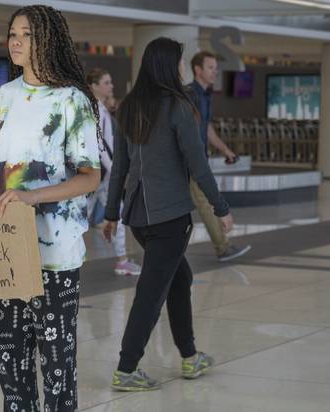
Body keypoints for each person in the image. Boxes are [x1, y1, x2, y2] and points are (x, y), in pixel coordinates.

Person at [0, 5, 100, 411]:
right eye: (12, 33)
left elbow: (91, 176)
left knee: (56, 364)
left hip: (54, 253)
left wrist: (32, 197)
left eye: (26, 34)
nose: (16, 41)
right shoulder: (0, 100)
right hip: (6, 253)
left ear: (48, 40)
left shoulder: (71, 101)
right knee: (12, 368)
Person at [103, 37, 234, 391]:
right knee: (151, 292)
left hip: (139, 217)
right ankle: (126, 368)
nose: (181, 70)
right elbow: (198, 164)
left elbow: (120, 168)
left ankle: (190, 357)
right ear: (169, 66)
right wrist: (221, 208)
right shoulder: (178, 105)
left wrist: (112, 212)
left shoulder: (129, 106)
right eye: (179, 64)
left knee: (180, 278)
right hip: (170, 217)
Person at [188, 50, 251, 262]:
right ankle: (223, 247)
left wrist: (225, 150)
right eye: (211, 68)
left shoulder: (205, 95)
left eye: (216, 68)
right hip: (190, 162)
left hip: (199, 160)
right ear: (198, 69)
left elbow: (206, 128)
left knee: (200, 202)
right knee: (204, 202)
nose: (216, 72)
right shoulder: (190, 94)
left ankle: (222, 247)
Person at [86, 68, 141, 276]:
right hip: (101, 173)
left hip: (100, 174)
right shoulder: (96, 110)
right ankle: (122, 261)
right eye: (106, 82)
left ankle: (122, 260)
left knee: (87, 216)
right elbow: (99, 145)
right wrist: (113, 170)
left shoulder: (98, 108)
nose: (111, 85)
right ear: (94, 86)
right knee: (83, 217)